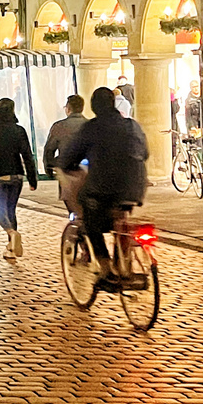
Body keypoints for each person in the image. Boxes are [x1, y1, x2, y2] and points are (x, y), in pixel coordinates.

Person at [57, 87, 148, 283]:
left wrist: (66, 165)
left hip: (103, 187)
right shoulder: (132, 125)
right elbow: (145, 153)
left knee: (90, 221)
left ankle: (106, 268)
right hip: (135, 186)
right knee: (120, 217)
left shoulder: (92, 128)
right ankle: (124, 263)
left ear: (94, 107)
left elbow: (70, 156)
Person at [0, 98, 37, 260]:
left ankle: (12, 234)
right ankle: (11, 247)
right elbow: (27, 156)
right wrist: (32, 179)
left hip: (0, 174)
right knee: (11, 210)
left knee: (0, 212)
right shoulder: (19, 130)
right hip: (17, 175)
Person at [42, 95, 87, 214]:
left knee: (71, 206)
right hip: (88, 172)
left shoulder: (59, 126)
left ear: (68, 109)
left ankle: (75, 225)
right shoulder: (91, 126)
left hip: (67, 173)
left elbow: (49, 150)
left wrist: (49, 167)